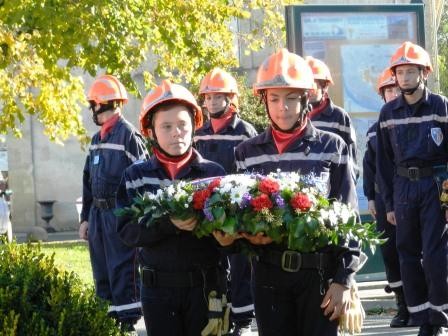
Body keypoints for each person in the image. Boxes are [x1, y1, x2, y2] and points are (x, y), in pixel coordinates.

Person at [215, 48, 360, 336]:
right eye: (275, 98)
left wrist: (343, 279)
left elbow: (348, 214)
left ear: (306, 99)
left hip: (319, 278)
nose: (283, 107)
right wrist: (237, 236)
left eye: (292, 98)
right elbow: (239, 217)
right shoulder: (246, 152)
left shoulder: (332, 147)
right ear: (264, 101)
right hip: (268, 278)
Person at [116, 80, 227, 336]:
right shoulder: (136, 176)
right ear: (151, 131)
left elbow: (229, 240)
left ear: (194, 127)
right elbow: (127, 232)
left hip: (205, 289)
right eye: (166, 126)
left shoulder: (213, 174)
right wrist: (169, 224)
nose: (176, 132)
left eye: (182, 125)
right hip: (158, 292)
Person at [376, 41, 448, 336]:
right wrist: (389, 204)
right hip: (403, 188)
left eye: (410, 72)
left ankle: (438, 318)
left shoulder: (441, 105)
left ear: (424, 73)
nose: (404, 78)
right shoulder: (388, 113)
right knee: (407, 254)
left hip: (434, 186)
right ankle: (421, 319)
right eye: (400, 72)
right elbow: (383, 162)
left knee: (435, 255)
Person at [79, 74, 148, 333]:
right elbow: (88, 180)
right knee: (103, 272)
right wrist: (85, 218)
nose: (92, 111)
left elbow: (143, 177)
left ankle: (128, 323)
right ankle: (109, 323)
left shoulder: (129, 136)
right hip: (98, 216)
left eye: (93, 105)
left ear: (104, 104)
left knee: (123, 271)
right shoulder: (97, 140)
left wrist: (136, 218)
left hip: (120, 215)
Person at [194, 68, 258, 334]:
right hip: (206, 211)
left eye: (218, 97)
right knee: (213, 266)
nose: (212, 102)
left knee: (240, 266)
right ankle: (219, 317)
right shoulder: (199, 133)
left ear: (230, 98)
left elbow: (254, 174)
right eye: (208, 97)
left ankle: (243, 319)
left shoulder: (245, 132)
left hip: (236, 210)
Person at [363, 68, 407, 327]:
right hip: (382, 198)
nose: (393, 94)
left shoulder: (413, 123)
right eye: (389, 90)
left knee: (412, 251)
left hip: (408, 196)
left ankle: (418, 303)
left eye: (397, 89)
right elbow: (369, 167)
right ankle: (402, 305)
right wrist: (369, 196)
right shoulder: (373, 131)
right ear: (383, 94)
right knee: (389, 251)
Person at [305, 56, 359, 182]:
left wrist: (348, 190)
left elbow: (351, 156)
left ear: (325, 87)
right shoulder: (293, 117)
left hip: (333, 190)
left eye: (313, 85)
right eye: (305, 85)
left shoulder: (339, 116)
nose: (309, 91)